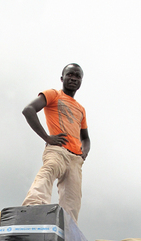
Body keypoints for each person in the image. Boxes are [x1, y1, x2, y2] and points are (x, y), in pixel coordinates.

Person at [21, 63, 90, 223]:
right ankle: (34, 207)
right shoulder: (54, 94)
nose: (73, 78)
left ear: (81, 81)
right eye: (70, 75)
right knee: (48, 172)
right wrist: (47, 137)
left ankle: (67, 228)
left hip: (75, 159)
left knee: (73, 198)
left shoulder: (80, 109)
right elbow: (28, 110)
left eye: (77, 76)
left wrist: (84, 153)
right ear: (62, 78)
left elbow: (86, 137)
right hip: (57, 150)